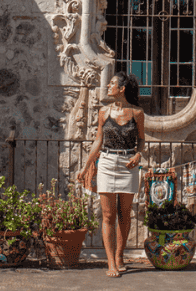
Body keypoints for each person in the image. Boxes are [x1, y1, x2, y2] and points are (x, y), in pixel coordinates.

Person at [78, 71, 145, 277]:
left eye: (112, 83)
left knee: (125, 214)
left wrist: (139, 154)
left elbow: (141, 139)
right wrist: (86, 166)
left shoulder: (137, 113)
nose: (108, 86)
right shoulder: (104, 112)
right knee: (108, 215)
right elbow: (98, 140)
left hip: (128, 165)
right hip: (106, 162)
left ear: (122, 89)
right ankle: (110, 263)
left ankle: (119, 255)